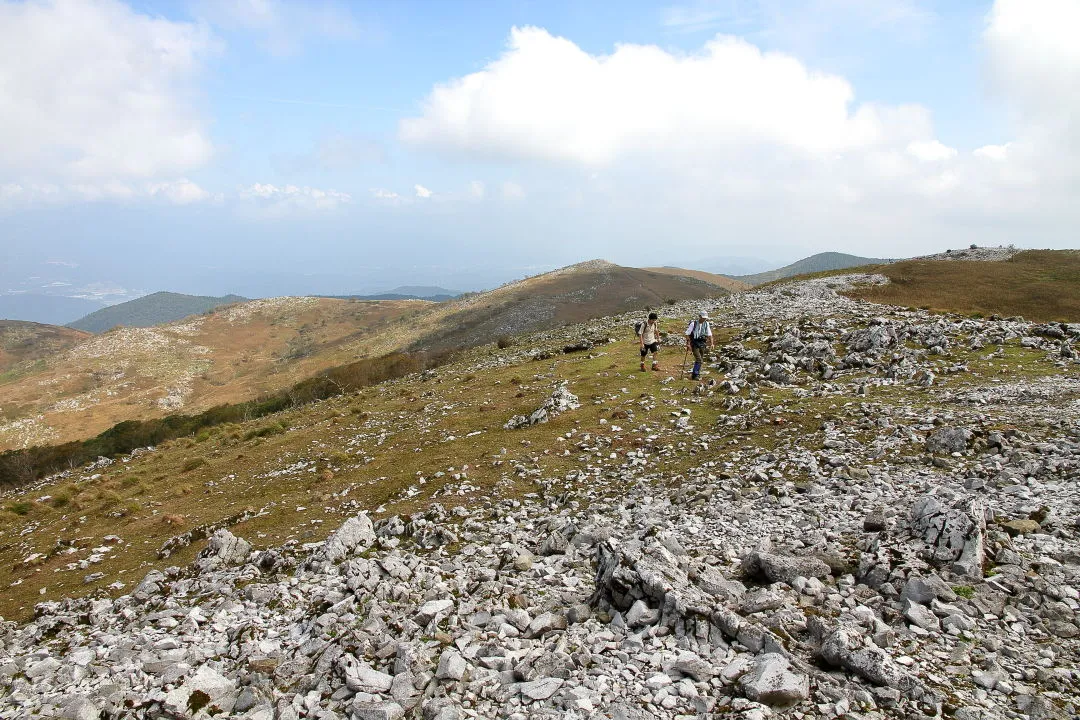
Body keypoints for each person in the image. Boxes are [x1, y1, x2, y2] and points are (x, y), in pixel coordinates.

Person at [685, 310, 714, 380]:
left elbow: (709, 334)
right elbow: (687, 334)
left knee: (700, 359)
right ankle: (695, 374)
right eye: (703, 318)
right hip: (694, 343)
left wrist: (712, 343)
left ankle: (696, 373)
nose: (704, 319)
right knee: (699, 359)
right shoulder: (693, 324)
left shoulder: (706, 324)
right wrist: (688, 344)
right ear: (700, 316)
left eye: (705, 318)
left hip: (702, 343)